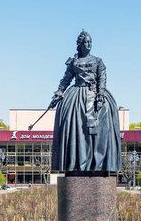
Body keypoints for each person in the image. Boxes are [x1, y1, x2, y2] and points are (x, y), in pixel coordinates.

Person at [50, 30, 122, 173]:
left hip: (95, 94)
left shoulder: (98, 61)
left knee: (104, 122)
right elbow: (66, 79)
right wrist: (59, 93)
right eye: (86, 42)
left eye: (90, 42)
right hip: (77, 96)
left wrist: (100, 94)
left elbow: (102, 79)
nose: (89, 45)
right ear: (80, 44)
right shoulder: (73, 62)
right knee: (73, 125)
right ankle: (76, 163)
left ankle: (98, 164)